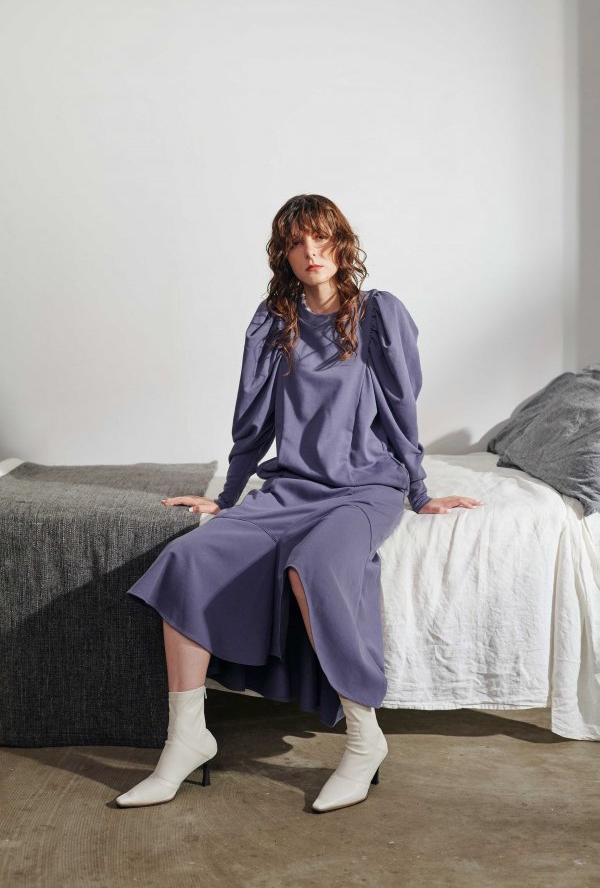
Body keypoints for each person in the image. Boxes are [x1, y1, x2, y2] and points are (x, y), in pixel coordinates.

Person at [115, 193, 482, 813]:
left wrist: (418, 493)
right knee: (187, 560)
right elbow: (253, 422)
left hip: (366, 488)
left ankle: (365, 740)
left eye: (321, 237)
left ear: (341, 243)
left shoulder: (378, 315)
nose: (311, 252)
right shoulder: (273, 321)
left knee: (313, 565)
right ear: (282, 254)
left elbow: (401, 410)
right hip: (291, 488)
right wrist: (225, 498)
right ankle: (187, 739)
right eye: (296, 242)